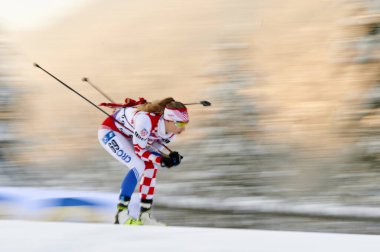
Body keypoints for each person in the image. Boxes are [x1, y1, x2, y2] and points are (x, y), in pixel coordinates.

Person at [98, 97, 188, 225]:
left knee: (151, 167)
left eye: (185, 123)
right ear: (168, 120)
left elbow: (153, 151)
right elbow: (141, 151)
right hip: (111, 131)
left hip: (131, 136)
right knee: (138, 165)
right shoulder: (145, 121)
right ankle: (121, 214)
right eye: (180, 124)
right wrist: (162, 160)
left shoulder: (171, 133)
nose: (183, 129)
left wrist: (168, 158)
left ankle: (145, 216)